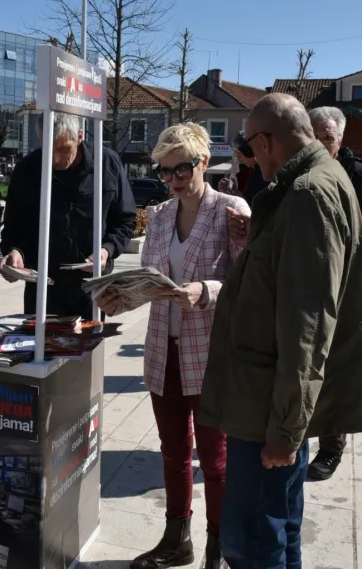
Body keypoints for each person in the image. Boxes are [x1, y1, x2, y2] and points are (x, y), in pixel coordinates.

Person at [199, 93, 362, 569]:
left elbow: (308, 323)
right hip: (270, 400)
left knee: (254, 541)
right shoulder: (310, 185)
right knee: (278, 527)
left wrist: (286, 428)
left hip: (267, 408)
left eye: (252, 149)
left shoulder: (308, 194)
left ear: (266, 141)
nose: (254, 160)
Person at [96, 123, 250, 569]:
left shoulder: (230, 210)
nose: (172, 180)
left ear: (203, 161)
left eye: (180, 169)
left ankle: (217, 549)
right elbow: (148, 287)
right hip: (164, 351)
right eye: (164, 172)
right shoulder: (161, 215)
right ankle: (175, 538)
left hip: (211, 354)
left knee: (216, 461)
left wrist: (207, 290)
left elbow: (249, 284)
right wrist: (116, 299)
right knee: (173, 451)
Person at [307, 106, 362, 482]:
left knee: (336, 373)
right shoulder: (296, 171)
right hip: (302, 290)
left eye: (327, 137)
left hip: (346, 292)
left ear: (340, 139)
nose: (321, 144)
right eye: (315, 136)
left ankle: (330, 448)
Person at [0, 112, 137, 318]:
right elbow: (14, 226)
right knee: (40, 348)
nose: (55, 159)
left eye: (64, 149)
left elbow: (126, 219)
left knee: (90, 347)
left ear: (80, 136)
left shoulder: (107, 163)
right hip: (45, 285)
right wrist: (14, 252)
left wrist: (106, 250)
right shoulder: (27, 169)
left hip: (92, 285)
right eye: (48, 149)